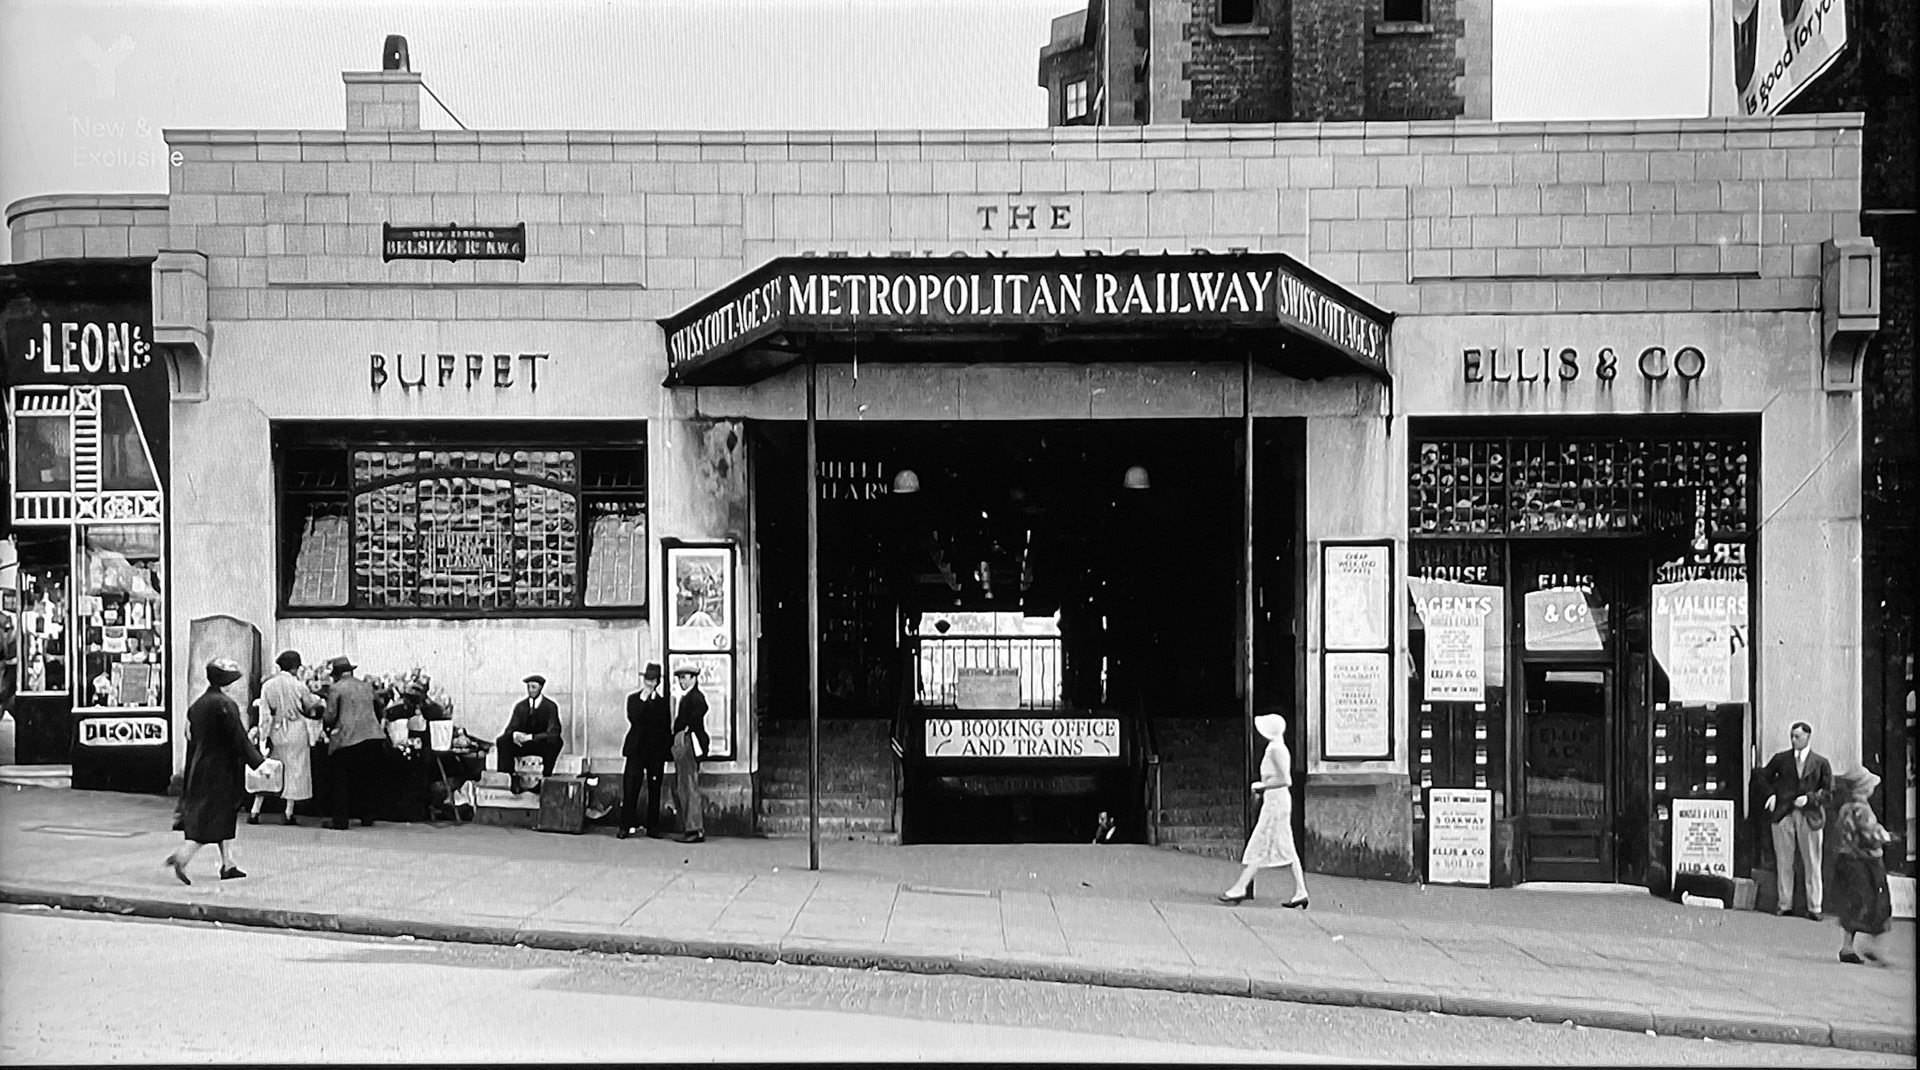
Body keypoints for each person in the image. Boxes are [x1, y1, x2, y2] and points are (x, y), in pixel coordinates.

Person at [165, 658, 272, 884]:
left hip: (201, 765)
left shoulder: (198, 705)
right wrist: (260, 764)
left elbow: (191, 738)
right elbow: (239, 739)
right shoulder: (225, 705)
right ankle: (182, 856)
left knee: (222, 816)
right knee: (214, 817)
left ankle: (228, 864)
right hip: (221, 769)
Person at [1220, 713, 1309, 908]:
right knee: (1285, 846)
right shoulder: (1276, 747)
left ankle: (1240, 887)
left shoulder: (1277, 749)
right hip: (1275, 801)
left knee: (1262, 842)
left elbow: (1286, 780)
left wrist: (1262, 786)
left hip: (1276, 801)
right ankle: (1301, 891)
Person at [1763, 721, 1832, 919]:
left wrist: (1810, 798)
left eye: (1798, 737)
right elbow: (1762, 776)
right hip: (1784, 814)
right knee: (1784, 861)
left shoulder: (1820, 763)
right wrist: (1770, 795)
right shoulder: (1781, 759)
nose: (1793, 740)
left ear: (1808, 737)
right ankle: (1785, 904)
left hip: (1810, 817)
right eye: (1792, 736)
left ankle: (1814, 906)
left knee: (1812, 862)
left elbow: (1829, 792)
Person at [249, 650, 322, 826]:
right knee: (294, 771)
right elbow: (309, 706)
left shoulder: (268, 686)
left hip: (276, 730)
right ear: (295, 668)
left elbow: (264, 716)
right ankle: (288, 812)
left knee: (270, 770)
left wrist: (263, 738)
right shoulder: (299, 686)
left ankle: (255, 810)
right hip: (297, 730)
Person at [1831, 767, 1895, 964]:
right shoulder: (1862, 809)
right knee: (1877, 903)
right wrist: (1886, 836)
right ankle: (1875, 947)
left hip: (1846, 860)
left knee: (1852, 904)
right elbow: (1870, 834)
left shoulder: (1845, 808)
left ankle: (1847, 946)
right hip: (1865, 862)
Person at [322, 655, 385, 831]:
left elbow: (330, 715)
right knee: (366, 778)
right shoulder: (366, 686)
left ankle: (340, 820)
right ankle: (368, 816)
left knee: (341, 781)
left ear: (336, 674)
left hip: (348, 738)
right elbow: (379, 710)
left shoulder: (336, 688)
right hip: (372, 736)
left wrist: (327, 725)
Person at [619, 663, 673, 840]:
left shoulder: (662, 702)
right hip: (636, 750)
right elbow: (633, 718)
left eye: (653, 680)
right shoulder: (634, 699)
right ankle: (625, 825)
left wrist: (666, 752)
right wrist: (644, 699)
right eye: (647, 680)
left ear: (657, 682)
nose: (649, 684)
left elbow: (665, 728)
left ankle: (653, 826)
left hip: (654, 750)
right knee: (630, 787)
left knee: (654, 788)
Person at [669, 665, 711, 843]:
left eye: (685, 677)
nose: (682, 681)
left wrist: (684, 729)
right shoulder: (690, 697)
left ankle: (693, 828)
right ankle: (691, 827)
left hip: (689, 743)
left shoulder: (694, 698)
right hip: (689, 742)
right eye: (680, 678)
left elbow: (696, 716)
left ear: (694, 678)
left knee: (688, 786)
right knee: (685, 785)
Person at [496, 674, 563, 778]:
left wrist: (531, 737)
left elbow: (554, 732)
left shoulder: (550, 706)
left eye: (533, 687)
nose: (530, 690)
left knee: (556, 741)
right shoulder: (520, 706)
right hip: (523, 745)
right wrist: (515, 735)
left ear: (541, 687)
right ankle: (507, 778)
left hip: (541, 745)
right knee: (502, 740)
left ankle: (545, 778)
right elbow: (509, 729)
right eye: (528, 687)